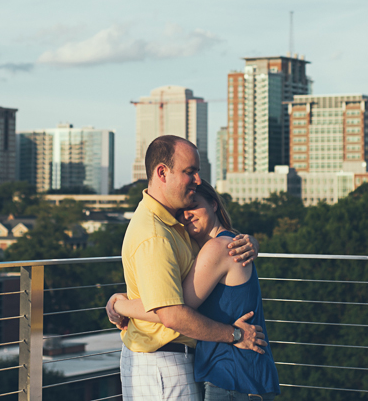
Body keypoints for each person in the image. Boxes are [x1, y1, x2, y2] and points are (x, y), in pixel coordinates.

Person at [114, 135, 266, 401]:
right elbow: (171, 311)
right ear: (162, 172)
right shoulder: (156, 234)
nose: (197, 180)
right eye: (190, 172)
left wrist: (120, 304)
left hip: (185, 363)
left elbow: (176, 298)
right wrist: (235, 334)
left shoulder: (177, 225)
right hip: (162, 364)